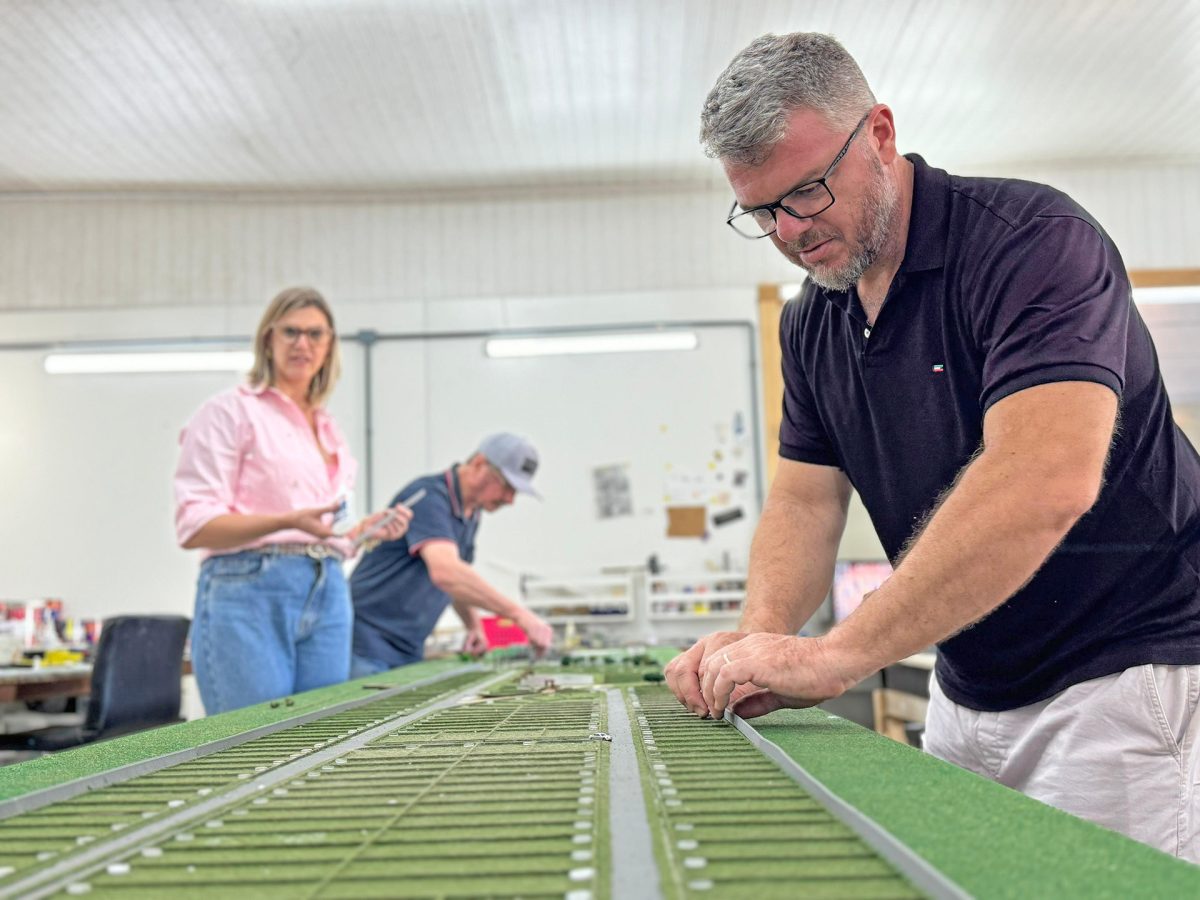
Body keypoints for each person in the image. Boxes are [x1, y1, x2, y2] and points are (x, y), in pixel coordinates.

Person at [665, 32, 1200, 861]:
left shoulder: (1032, 244)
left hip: (1122, 685)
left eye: (807, 192)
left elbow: (1044, 479)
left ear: (879, 133)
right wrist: (758, 641)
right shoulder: (813, 320)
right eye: (761, 211)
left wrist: (838, 655)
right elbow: (806, 500)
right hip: (966, 690)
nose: (791, 233)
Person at [174, 286, 412, 714]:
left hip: (329, 585)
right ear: (268, 339)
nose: (303, 344)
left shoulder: (327, 427)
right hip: (250, 586)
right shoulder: (229, 412)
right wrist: (288, 520)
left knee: (315, 743)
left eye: (315, 334)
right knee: (250, 743)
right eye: (291, 332)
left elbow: (324, 526)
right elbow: (195, 526)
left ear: (330, 345)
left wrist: (363, 532)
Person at [349, 433, 554, 675]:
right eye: (507, 486)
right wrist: (520, 615)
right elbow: (446, 573)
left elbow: (457, 581)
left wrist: (474, 626)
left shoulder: (472, 514)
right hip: (366, 641)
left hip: (408, 647)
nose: (510, 500)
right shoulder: (428, 498)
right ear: (479, 464)